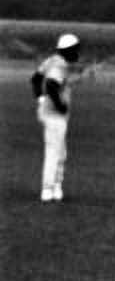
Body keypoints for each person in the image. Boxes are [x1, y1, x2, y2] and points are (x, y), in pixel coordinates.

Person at [32, 33, 82, 202]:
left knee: (60, 151)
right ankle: (48, 189)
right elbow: (51, 84)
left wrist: (40, 98)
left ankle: (56, 186)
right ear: (68, 50)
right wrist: (60, 106)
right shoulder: (60, 65)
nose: (78, 53)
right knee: (55, 151)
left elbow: (36, 79)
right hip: (55, 115)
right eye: (76, 49)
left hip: (48, 113)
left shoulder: (52, 60)